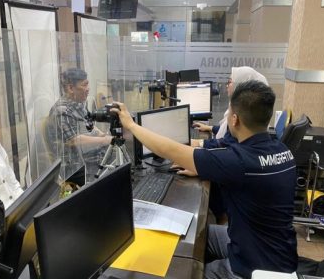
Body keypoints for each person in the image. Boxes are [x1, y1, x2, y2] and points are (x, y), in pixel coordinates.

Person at [111, 80, 298, 279]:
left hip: (254, 268)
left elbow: (169, 150)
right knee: (197, 235)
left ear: (234, 120)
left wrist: (130, 125)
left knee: (185, 273)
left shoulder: (239, 162)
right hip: (275, 251)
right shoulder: (282, 150)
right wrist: (206, 168)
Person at [47, 68, 112, 183]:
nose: (88, 89)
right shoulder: (62, 110)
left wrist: (102, 135)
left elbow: (89, 125)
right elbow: (74, 140)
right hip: (75, 166)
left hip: (90, 155)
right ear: (70, 88)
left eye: (88, 84)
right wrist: (104, 140)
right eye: (84, 85)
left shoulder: (78, 104)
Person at [191, 66, 268, 149]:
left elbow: (225, 144)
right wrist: (209, 128)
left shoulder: (243, 112)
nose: (227, 85)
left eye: (230, 82)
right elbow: (227, 131)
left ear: (240, 85)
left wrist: (198, 142)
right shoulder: (238, 106)